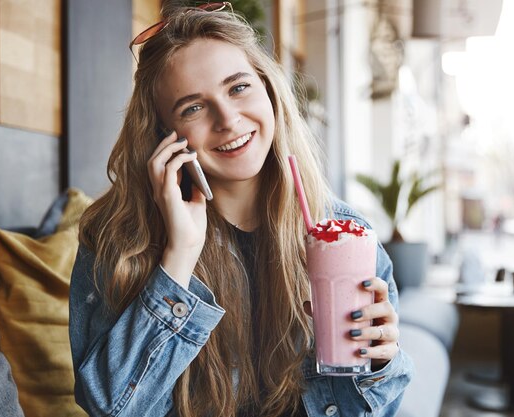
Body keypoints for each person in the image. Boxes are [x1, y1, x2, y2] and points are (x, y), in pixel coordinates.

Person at [69, 3, 413, 416]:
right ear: (166, 135)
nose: (228, 119)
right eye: (192, 108)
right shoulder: (121, 241)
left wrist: (379, 365)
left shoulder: (346, 236)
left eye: (238, 87)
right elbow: (110, 408)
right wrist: (178, 257)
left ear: (269, 89)